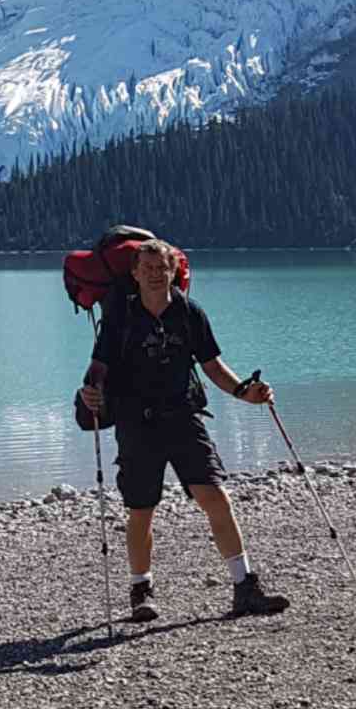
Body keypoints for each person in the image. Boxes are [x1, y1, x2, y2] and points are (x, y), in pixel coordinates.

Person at [79, 238, 290, 623]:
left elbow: (211, 366)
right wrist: (90, 393)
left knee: (215, 495)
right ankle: (141, 591)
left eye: (163, 268)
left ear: (174, 271)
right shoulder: (120, 318)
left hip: (183, 416)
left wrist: (245, 392)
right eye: (148, 269)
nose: (156, 275)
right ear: (135, 274)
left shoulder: (190, 313)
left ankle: (244, 587)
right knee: (142, 509)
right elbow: (99, 366)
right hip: (135, 421)